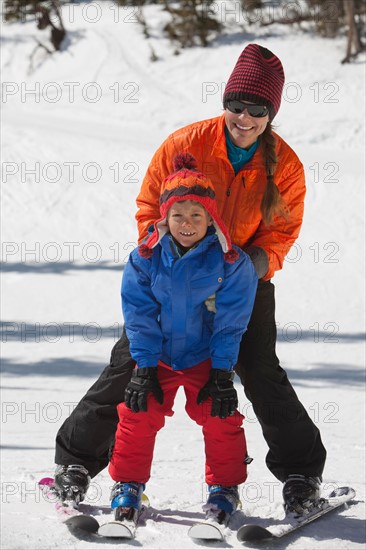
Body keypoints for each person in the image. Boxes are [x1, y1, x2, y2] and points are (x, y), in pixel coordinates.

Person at [54, 43, 327, 516]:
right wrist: (172, 260)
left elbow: (280, 234)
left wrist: (237, 274)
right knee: (131, 366)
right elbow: (148, 208)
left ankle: (302, 474)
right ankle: (75, 464)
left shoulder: (285, 166)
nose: (243, 117)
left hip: (240, 283)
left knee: (260, 371)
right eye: (235, 105)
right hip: (174, 276)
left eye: (257, 109)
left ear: (271, 113)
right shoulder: (186, 145)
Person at [106, 153, 258, 524]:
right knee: (137, 410)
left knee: (220, 415)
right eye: (178, 215)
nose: (186, 224)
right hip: (159, 356)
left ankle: (224, 488)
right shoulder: (145, 257)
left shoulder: (231, 263)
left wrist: (222, 373)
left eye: (196, 215)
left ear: (211, 218)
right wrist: (143, 366)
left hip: (204, 357)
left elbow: (230, 322)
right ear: (164, 217)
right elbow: (139, 315)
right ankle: (128, 484)